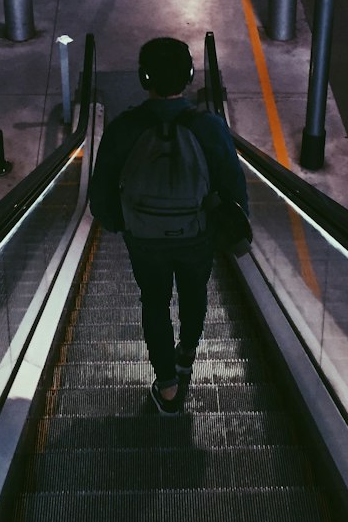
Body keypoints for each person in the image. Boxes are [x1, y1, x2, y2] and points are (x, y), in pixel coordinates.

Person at [89, 37, 248, 415]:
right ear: (190, 76)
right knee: (195, 290)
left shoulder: (124, 128)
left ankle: (168, 387)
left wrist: (122, 224)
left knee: (155, 303)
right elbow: (234, 188)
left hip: (144, 238)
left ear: (144, 78)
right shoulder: (209, 127)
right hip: (197, 235)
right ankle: (188, 350)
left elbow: (101, 197)